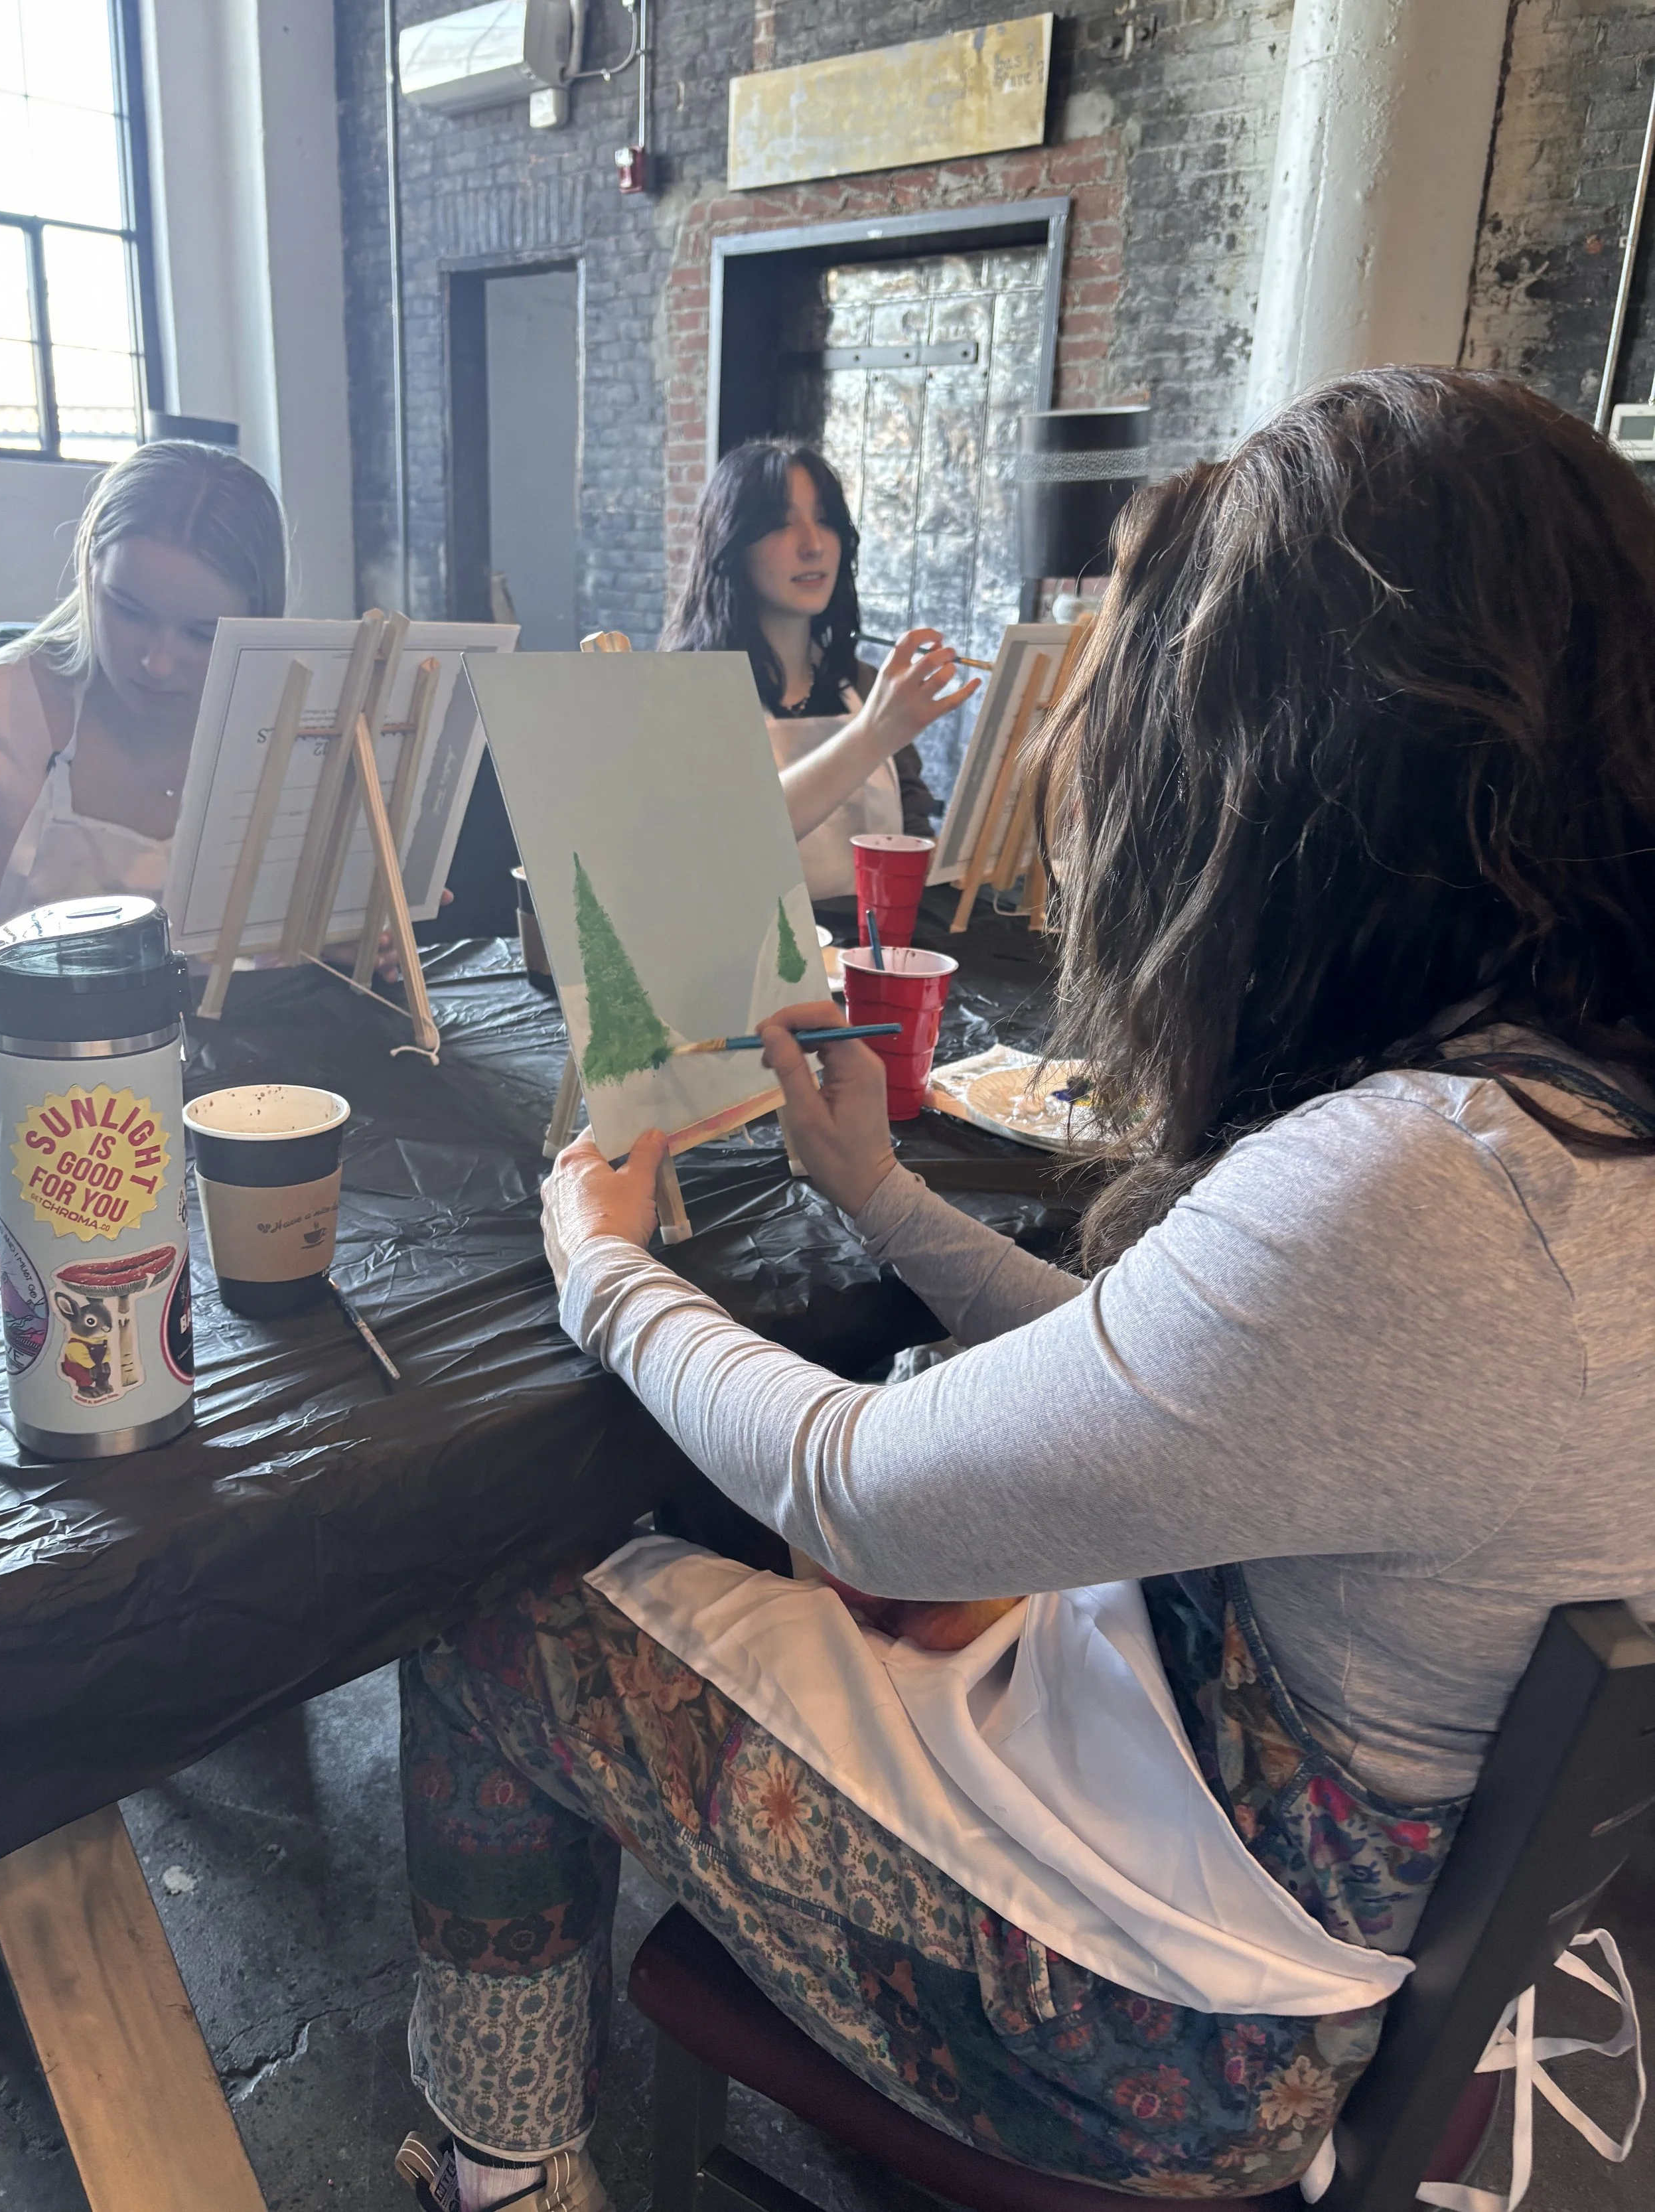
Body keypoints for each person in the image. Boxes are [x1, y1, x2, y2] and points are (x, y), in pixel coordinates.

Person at [393, 370, 1655, 2212]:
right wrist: (884, 1194)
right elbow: (1171, 1381)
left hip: (1169, 2033)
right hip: (1330, 1912)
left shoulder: (1420, 1187)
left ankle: (500, 2164)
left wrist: (601, 1269)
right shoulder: (1566, 1122)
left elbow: (858, 1488)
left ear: (1298, 781)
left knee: (485, 1606)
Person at [661, 441, 979, 900]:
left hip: (869, 959)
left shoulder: (867, 687)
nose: (813, 546)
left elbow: (911, 837)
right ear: (731, 545)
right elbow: (718, 845)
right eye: (780, 524)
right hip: (745, 965)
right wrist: (872, 734)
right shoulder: (680, 696)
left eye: (825, 519)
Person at [0, 440, 287, 923]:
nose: (158, 663)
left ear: (258, 624)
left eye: (202, 634)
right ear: (90, 571)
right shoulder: (9, 718)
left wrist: (331, 939)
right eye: (129, 611)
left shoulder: (287, 727)